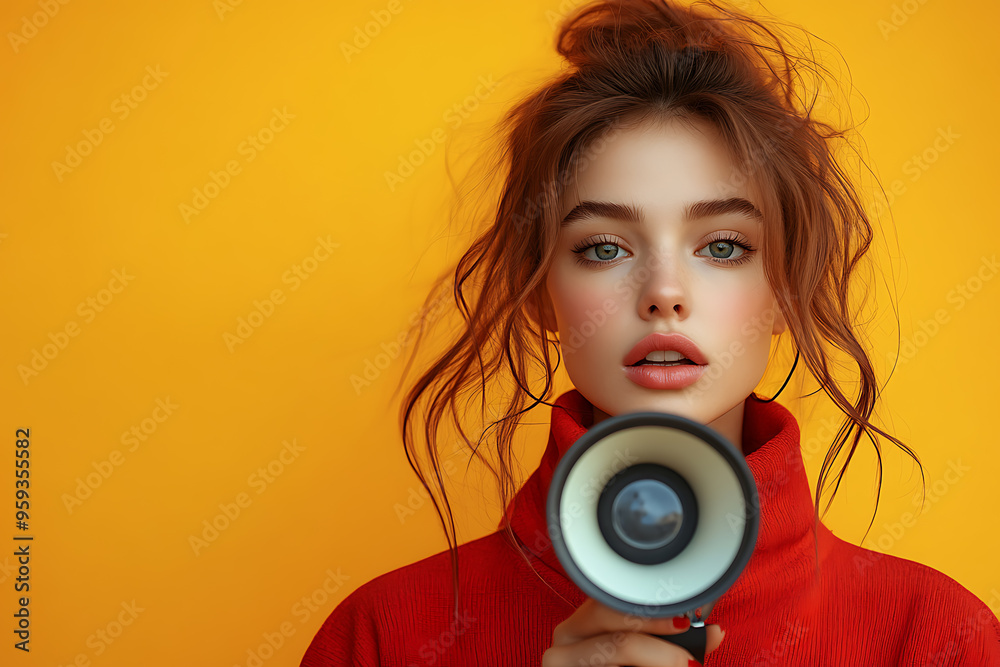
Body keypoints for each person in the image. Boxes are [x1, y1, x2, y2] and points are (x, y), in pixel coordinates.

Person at [301, 0, 1000, 664]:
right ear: (539, 291)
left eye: (723, 245)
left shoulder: (936, 636)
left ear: (788, 288)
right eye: (604, 248)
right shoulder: (383, 636)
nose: (665, 292)